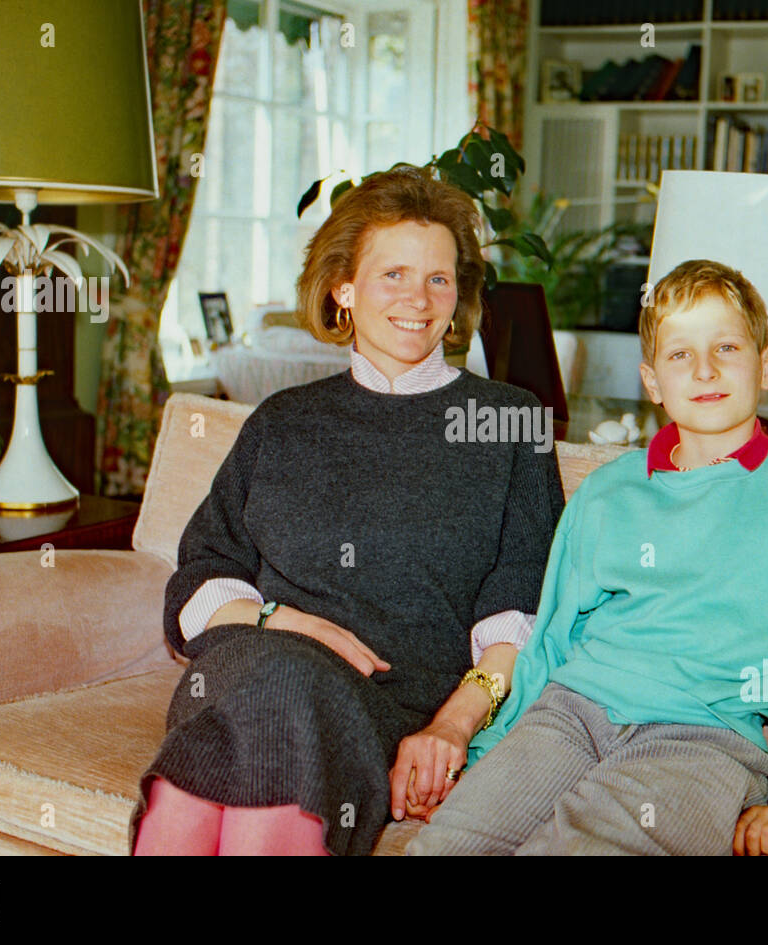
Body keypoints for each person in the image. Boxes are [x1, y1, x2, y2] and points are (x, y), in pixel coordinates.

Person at [409, 259, 768, 856]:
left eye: (727, 346)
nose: (705, 369)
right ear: (652, 381)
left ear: (766, 364)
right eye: (680, 354)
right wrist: (483, 754)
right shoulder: (609, 492)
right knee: (446, 847)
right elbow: (551, 642)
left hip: (702, 740)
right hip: (567, 715)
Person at [131, 166, 564, 856]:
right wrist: (288, 621)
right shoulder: (281, 422)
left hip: (381, 704)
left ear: (458, 296)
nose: (417, 300)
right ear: (344, 288)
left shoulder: (510, 423)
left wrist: (451, 725)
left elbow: (524, 606)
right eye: (392, 274)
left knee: (255, 722)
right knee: (274, 674)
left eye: (438, 278)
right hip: (253, 670)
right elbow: (198, 580)